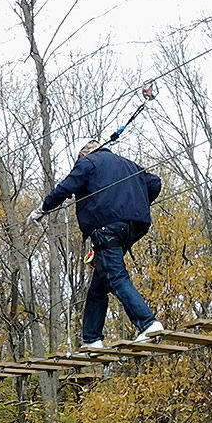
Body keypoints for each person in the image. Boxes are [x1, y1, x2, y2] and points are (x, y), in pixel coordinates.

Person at [27, 140, 164, 351]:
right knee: (99, 285)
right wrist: (135, 203)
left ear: (82, 154)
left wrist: (41, 209)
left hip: (106, 227)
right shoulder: (129, 165)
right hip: (133, 227)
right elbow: (155, 183)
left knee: (116, 277)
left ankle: (148, 323)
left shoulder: (88, 163)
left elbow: (64, 188)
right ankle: (92, 339)